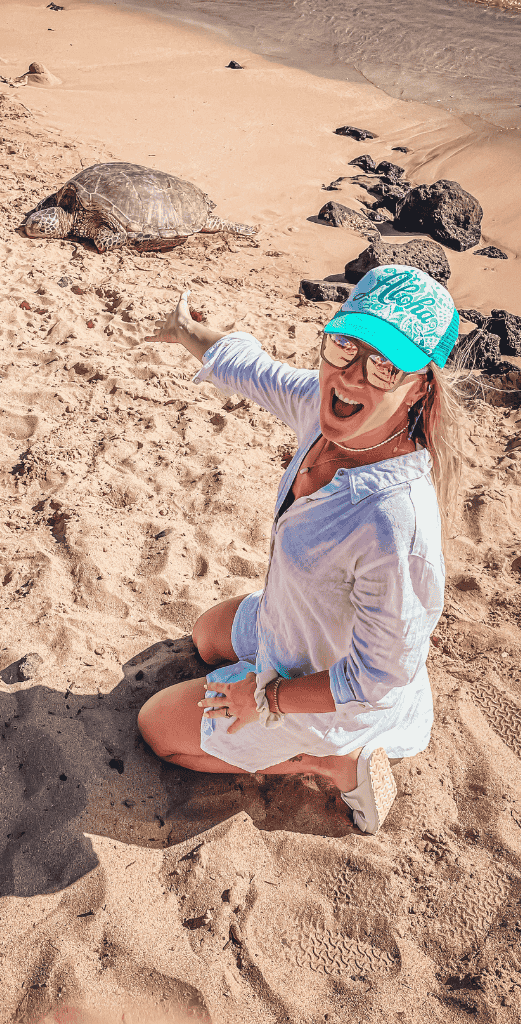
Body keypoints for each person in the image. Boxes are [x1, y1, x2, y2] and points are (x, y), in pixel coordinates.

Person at [137, 264, 462, 834]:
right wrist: (189, 332)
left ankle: (331, 762)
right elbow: (252, 369)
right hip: (293, 622)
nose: (353, 377)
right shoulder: (322, 407)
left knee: (157, 729)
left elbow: (377, 678)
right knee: (206, 634)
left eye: (385, 366)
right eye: (345, 346)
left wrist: (269, 698)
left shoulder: (396, 523)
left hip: (330, 692)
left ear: (420, 388)